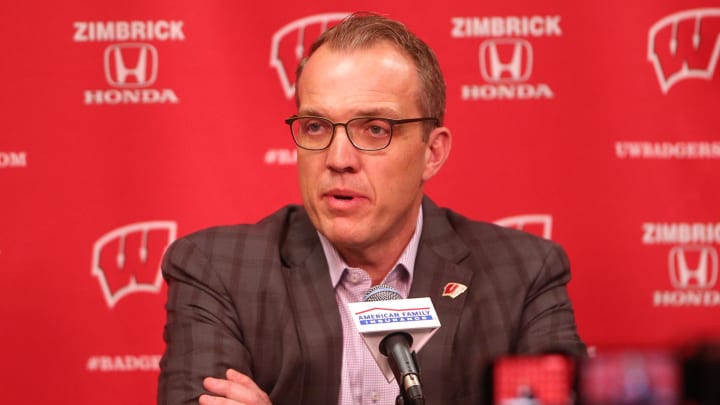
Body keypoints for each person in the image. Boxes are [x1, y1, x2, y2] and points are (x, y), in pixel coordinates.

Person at [158, 12, 586, 405]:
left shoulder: (523, 273)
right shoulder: (219, 270)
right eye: (316, 126)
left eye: (376, 129)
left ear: (432, 153)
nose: (338, 157)